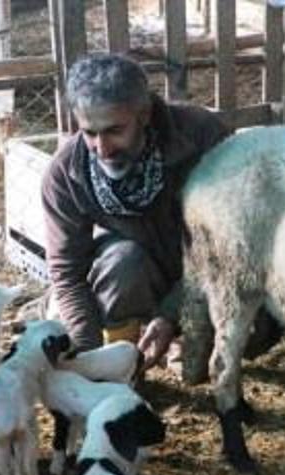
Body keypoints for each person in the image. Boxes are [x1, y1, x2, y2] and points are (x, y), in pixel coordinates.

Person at [41, 53, 237, 368]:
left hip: (207, 270)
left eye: (114, 130)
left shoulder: (202, 137)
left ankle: (180, 341)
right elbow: (67, 273)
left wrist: (172, 316)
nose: (102, 149)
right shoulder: (67, 172)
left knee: (249, 338)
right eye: (90, 133)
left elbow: (227, 246)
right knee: (121, 262)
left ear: (144, 114)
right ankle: (125, 367)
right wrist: (91, 361)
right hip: (139, 275)